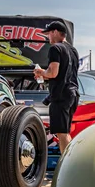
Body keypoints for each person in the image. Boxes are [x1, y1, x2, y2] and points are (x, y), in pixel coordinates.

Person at [33, 21, 80, 154]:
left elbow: (53, 73)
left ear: (55, 32)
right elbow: (64, 73)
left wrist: (41, 72)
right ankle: (70, 161)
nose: (48, 37)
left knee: (62, 134)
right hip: (73, 94)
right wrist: (45, 74)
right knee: (65, 132)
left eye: (49, 33)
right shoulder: (73, 50)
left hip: (61, 95)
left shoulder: (55, 49)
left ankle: (67, 166)